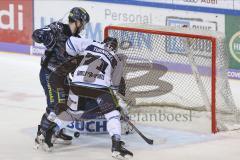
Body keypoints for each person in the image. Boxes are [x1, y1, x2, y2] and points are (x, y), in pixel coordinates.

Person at [65, 36, 133, 159]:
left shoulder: (91, 44)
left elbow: (69, 44)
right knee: (112, 113)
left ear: (104, 42)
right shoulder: (116, 58)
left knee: (70, 112)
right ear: (115, 48)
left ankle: (48, 131)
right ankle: (116, 145)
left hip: (77, 82)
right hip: (99, 86)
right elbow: (114, 87)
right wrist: (117, 106)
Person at [32, 7, 90, 151]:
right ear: (77, 21)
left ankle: (56, 131)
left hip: (62, 76)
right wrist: (45, 37)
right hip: (49, 74)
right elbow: (36, 34)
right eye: (82, 23)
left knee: (65, 106)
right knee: (54, 106)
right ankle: (42, 133)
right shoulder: (57, 28)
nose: (83, 27)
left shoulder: (77, 40)